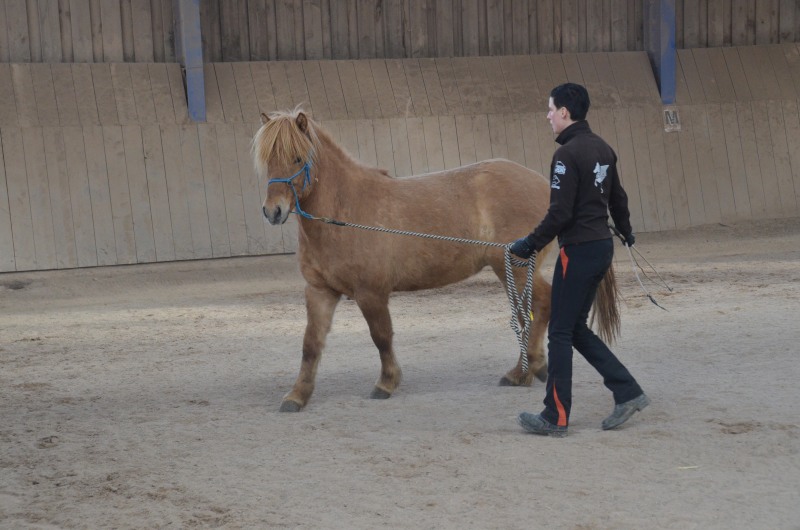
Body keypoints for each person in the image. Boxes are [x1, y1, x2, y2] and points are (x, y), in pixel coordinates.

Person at [509, 82, 649, 437]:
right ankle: (627, 390)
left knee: (559, 331)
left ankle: (555, 416)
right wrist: (626, 230)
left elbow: (559, 214)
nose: (548, 116)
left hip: (579, 251)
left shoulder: (566, 156)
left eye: (550, 109)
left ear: (565, 112)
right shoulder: (603, 148)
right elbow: (618, 198)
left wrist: (528, 244)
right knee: (574, 329)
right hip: (601, 247)